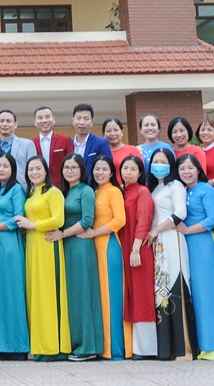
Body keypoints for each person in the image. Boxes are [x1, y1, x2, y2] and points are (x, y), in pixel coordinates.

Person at [176, 153, 214, 360]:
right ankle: (201, 344)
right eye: (182, 168)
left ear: (198, 170)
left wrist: (188, 230)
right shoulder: (182, 191)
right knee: (195, 295)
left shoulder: (206, 189)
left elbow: (212, 220)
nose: (186, 172)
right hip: (186, 245)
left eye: (190, 167)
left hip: (202, 244)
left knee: (208, 293)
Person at [16, 155, 69, 361]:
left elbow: (59, 219)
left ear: (46, 171)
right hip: (32, 248)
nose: (34, 172)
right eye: (31, 169)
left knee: (48, 294)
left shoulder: (53, 192)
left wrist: (33, 225)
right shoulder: (31, 194)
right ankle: (39, 344)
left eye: (38, 168)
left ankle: (52, 346)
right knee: (36, 294)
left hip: (47, 245)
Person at [52, 153, 103, 361]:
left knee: (82, 294)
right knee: (71, 296)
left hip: (80, 246)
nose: (70, 171)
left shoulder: (86, 191)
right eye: (66, 167)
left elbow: (87, 220)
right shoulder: (64, 192)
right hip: (66, 247)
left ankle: (87, 347)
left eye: (74, 167)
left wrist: (63, 234)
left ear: (82, 170)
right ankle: (73, 342)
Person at [145, 149, 188, 360]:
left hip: (171, 239)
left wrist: (157, 230)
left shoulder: (175, 185)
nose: (159, 164)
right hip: (157, 243)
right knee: (161, 289)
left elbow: (180, 213)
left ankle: (182, 348)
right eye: (155, 161)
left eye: (163, 161)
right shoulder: (154, 188)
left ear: (171, 164)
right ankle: (165, 346)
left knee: (174, 285)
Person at [0, 153, 29, 360]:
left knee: (13, 292)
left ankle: (18, 346)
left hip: (10, 243)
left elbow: (18, 218)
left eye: (5, 166)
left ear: (13, 169)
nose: (1, 169)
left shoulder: (16, 189)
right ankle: (2, 345)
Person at [84, 155, 126, 360]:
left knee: (111, 297)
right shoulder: (94, 192)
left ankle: (114, 348)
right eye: (96, 169)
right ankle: (103, 346)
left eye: (104, 169)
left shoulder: (114, 191)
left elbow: (120, 220)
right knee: (100, 297)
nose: (99, 173)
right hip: (95, 247)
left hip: (109, 245)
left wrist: (95, 232)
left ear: (111, 173)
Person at [118, 155, 157, 359]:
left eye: (133, 169)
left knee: (142, 296)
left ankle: (147, 348)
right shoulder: (121, 192)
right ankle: (132, 346)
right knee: (131, 296)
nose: (128, 172)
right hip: (124, 248)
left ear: (140, 172)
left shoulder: (143, 191)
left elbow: (143, 221)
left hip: (138, 249)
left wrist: (135, 249)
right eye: (125, 168)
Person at [0, 109, 35, 189]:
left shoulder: (28, 144)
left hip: (23, 190)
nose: (5, 124)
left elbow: (33, 169)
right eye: (1, 121)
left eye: (8, 121)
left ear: (15, 124)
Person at [32, 105, 74, 188]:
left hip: (62, 187)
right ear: (35, 122)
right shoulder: (31, 143)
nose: (44, 120)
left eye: (47, 117)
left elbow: (72, 164)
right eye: (40, 118)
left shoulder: (65, 140)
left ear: (54, 119)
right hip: (38, 187)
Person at [70, 104, 112, 185]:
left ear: (92, 122)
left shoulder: (101, 143)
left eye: (86, 119)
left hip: (94, 188)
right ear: (73, 121)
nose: (82, 122)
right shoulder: (67, 143)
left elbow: (107, 167)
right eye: (78, 118)